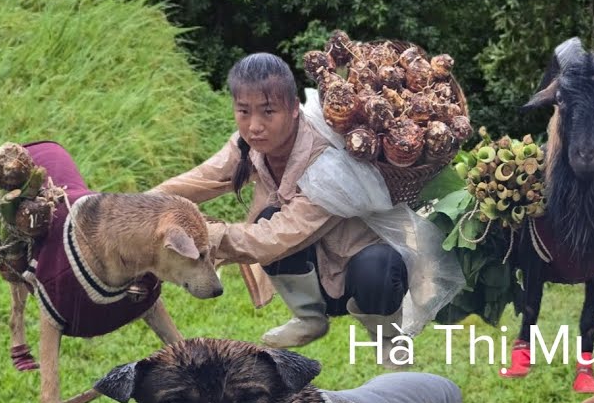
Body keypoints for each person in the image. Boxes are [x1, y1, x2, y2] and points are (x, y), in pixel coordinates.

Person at [153, 52, 446, 351]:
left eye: (268, 112)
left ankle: (386, 337)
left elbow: (276, 237)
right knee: (268, 213)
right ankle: (309, 318)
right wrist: (139, 204)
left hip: (359, 270)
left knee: (376, 267)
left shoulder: (329, 164)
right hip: (314, 269)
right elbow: (200, 179)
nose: (254, 125)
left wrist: (204, 235)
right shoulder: (248, 144)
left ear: (294, 108)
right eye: (244, 111)